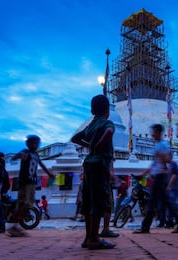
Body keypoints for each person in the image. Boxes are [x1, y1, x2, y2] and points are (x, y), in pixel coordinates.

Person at [71, 94, 116, 250]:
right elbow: (109, 132)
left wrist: (89, 145)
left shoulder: (90, 126)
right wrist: (98, 145)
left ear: (92, 110)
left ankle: (88, 237)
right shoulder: (107, 122)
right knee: (98, 201)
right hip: (100, 165)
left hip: (88, 164)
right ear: (108, 110)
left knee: (88, 200)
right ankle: (95, 238)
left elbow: (74, 138)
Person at [7, 135, 55, 237]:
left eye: (37, 143)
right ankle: (13, 225)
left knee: (28, 204)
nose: (35, 145)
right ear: (28, 144)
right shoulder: (25, 152)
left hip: (32, 182)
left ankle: (16, 226)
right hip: (25, 182)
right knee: (23, 203)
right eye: (33, 143)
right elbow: (16, 156)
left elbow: (42, 165)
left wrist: (49, 174)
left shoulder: (36, 155)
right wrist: (19, 156)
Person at [133, 124, 172, 234]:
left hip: (161, 177)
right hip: (157, 176)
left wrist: (163, 164)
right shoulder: (158, 146)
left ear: (159, 132)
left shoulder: (163, 145)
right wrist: (143, 174)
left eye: (154, 132)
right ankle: (146, 227)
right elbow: (154, 164)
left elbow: (167, 160)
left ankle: (145, 227)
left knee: (157, 202)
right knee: (162, 202)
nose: (152, 134)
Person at [165, 160, 178, 233]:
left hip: (175, 188)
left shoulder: (173, 164)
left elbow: (174, 175)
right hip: (173, 188)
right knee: (171, 205)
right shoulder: (169, 165)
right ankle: (172, 221)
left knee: (173, 205)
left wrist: (168, 186)